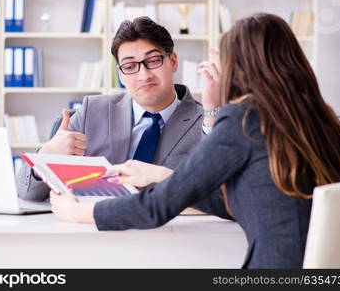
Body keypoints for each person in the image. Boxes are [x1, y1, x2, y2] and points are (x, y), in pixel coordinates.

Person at [50, 13, 340, 268]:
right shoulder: (321, 120)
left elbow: (156, 208)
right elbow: (244, 201)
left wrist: (78, 212)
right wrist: (165, 175)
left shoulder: (244, 118)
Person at [17, 17, 205, 202]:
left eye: (154, 60)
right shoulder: (92, 111)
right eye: (130, 66)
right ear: (121, 75)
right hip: (94, 226)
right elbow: (26, 193)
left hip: (170, 230)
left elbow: (219, 196)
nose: (144, 75)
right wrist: (44, 155)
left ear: (172, 61)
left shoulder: (206, 123)